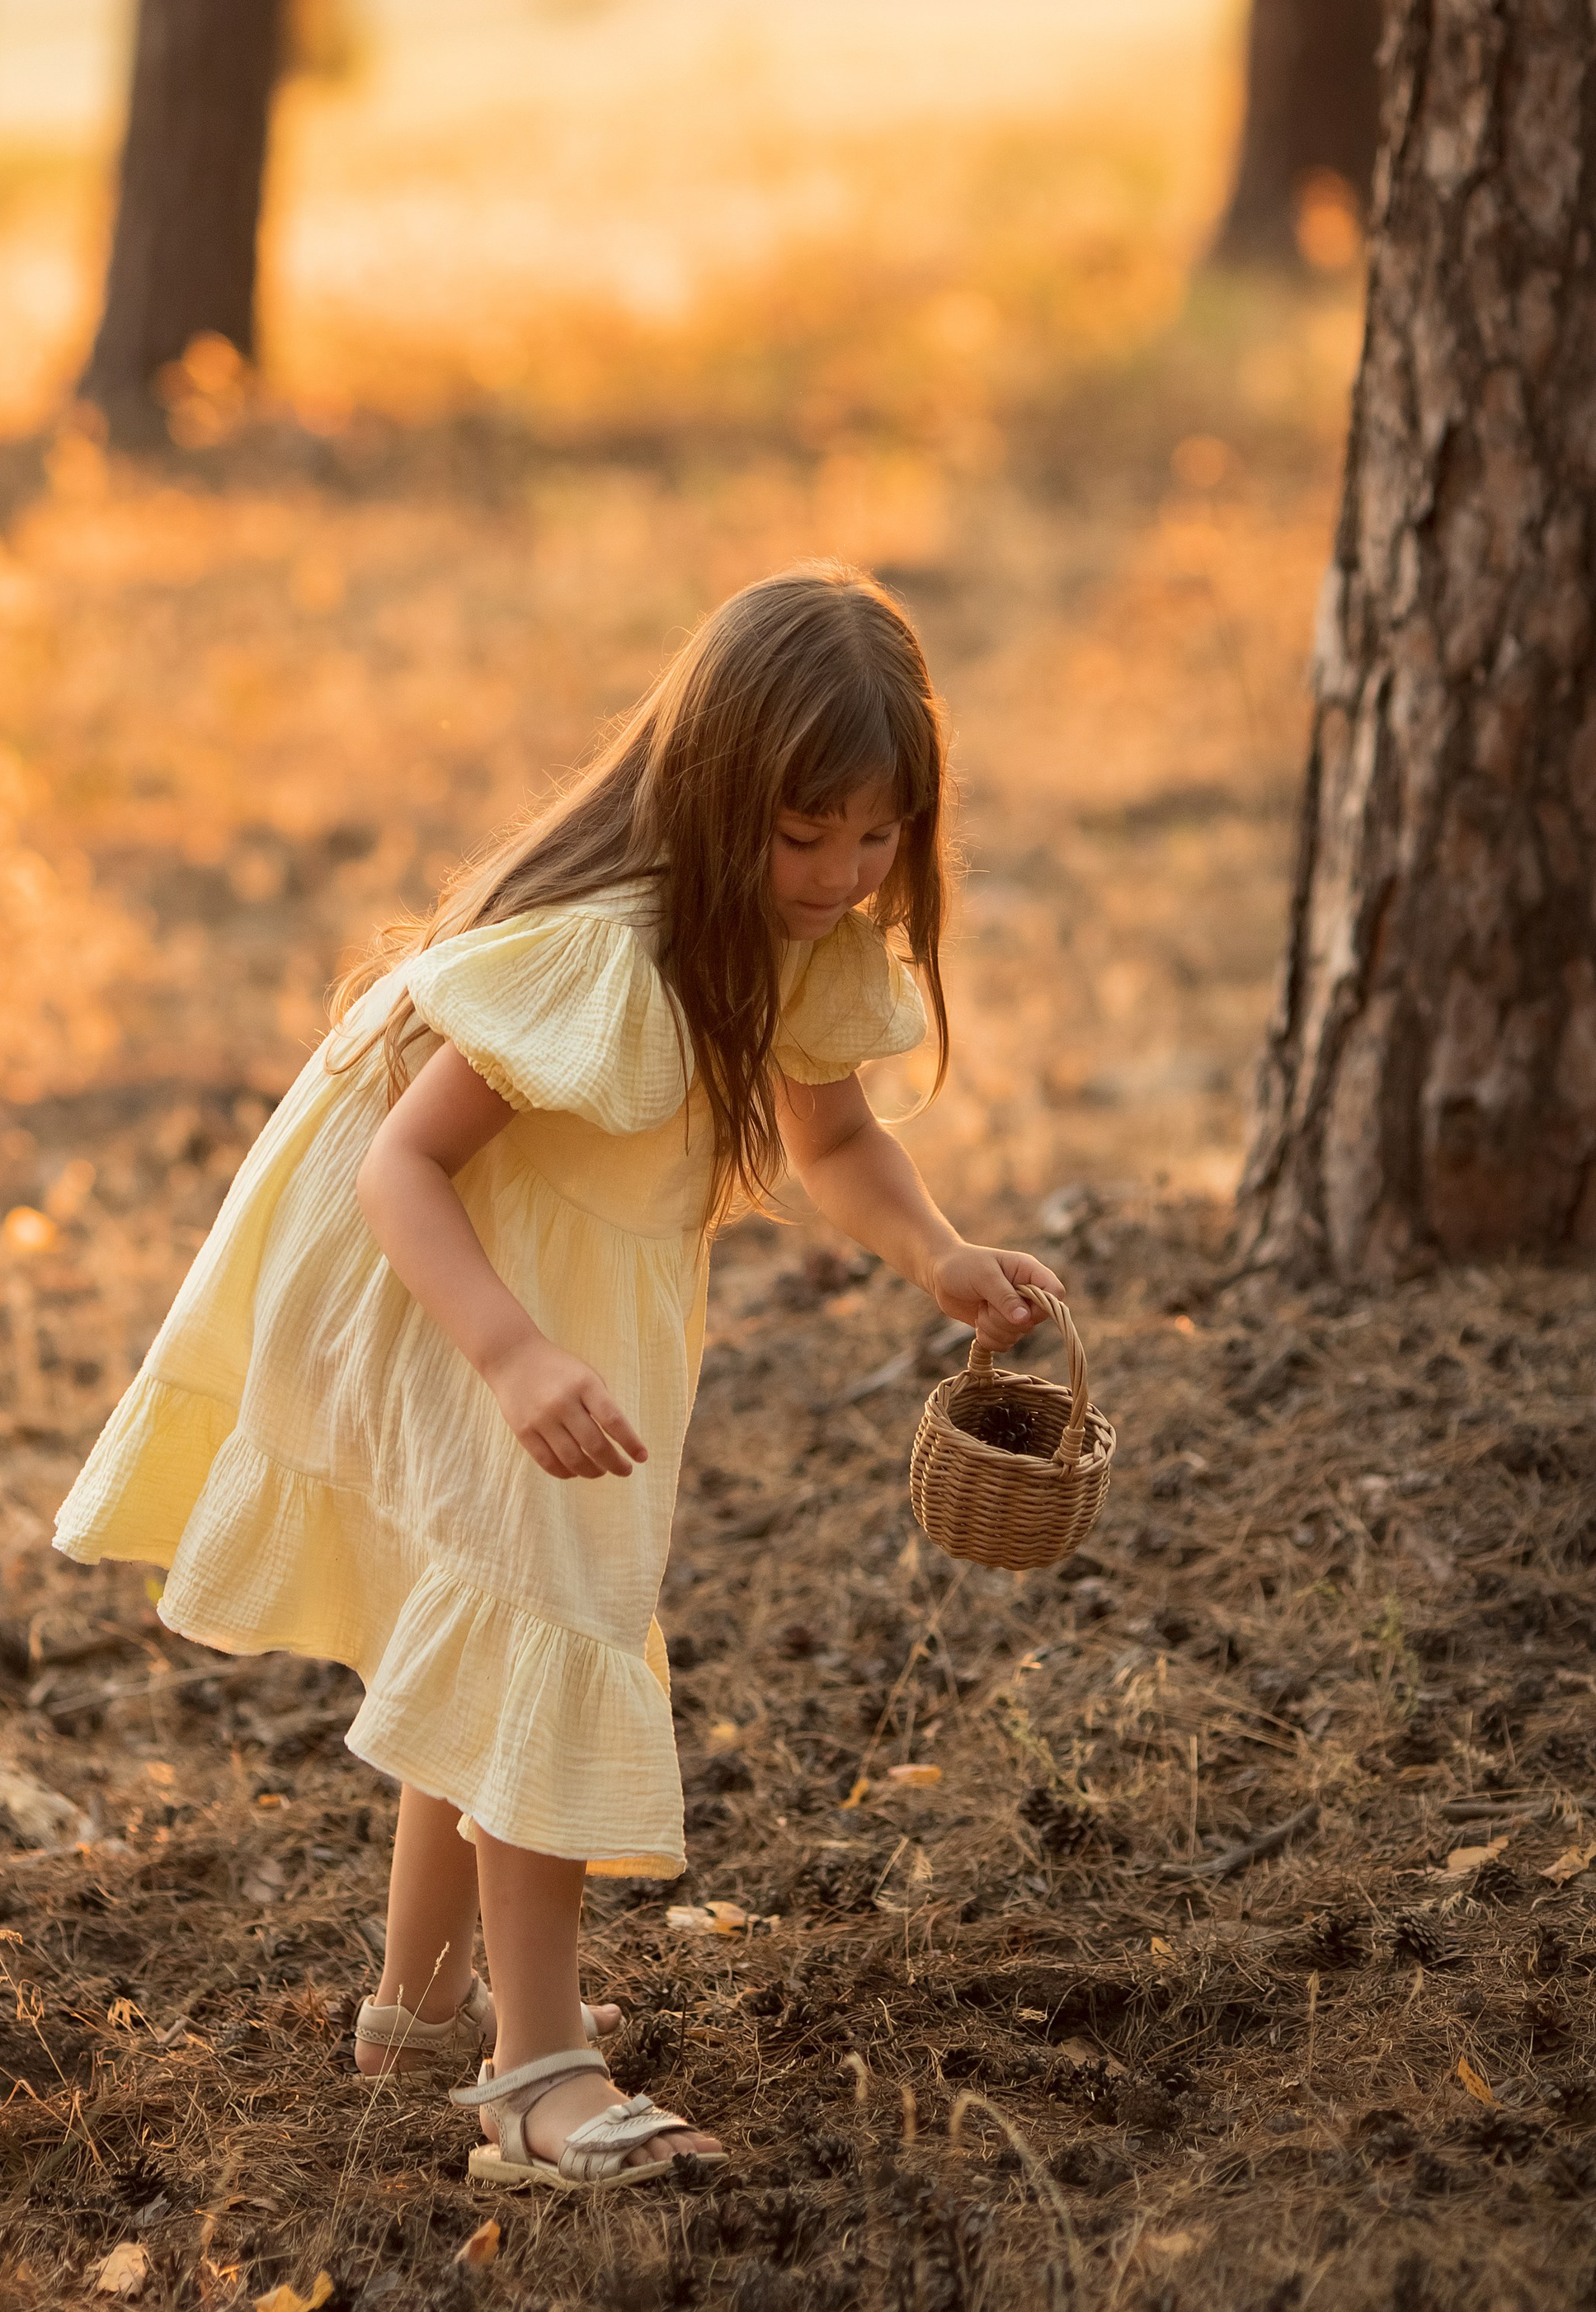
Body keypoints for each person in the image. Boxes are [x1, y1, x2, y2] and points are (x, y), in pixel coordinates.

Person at [56, 563, 1063, 2194]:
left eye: (876, 836)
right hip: (452, 1282)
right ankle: (537, 2074)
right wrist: (512, 1351)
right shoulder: (609, 951)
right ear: (716, 795)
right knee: (550, 1617)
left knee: (495, 1604)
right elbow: (396, 1167)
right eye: (802, 835)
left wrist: (936, 1253)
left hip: (566, 1296)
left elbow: (834, 1137)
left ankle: (412, 2009)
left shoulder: (803, 939)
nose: (837, 875)